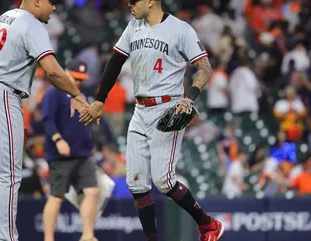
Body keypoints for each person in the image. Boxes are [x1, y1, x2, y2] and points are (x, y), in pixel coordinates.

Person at [80, 0, 224, 240]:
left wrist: (190, 98)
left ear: (150, 1)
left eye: (134, 0)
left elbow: (204, 68)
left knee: (163, 181)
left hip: (168, 107)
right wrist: (99, 100)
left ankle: (208, 224)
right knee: (135, 183)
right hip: (139, 108)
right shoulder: (132, 26)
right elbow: (115, 62)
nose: (129, 4)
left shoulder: (181, 29)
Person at [0, 1, 89, 241]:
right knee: (9, 176)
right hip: (2, 95)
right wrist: (77, 94)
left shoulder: (3, 17)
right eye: (51, 2)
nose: (53, 8)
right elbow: (52, 71)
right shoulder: (31, 24)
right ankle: (7, 238)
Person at [41, 59, 100, 241]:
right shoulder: (54, 93)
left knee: (92, 191)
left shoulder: (83, 95)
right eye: (75, 77)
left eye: (81, 79)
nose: (78, 82)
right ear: (66, 72)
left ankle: (87, 235)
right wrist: (58, 140)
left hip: (82, 152)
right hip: (61, 155)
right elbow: (47, 120)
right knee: (57, 196)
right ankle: (49, 238)